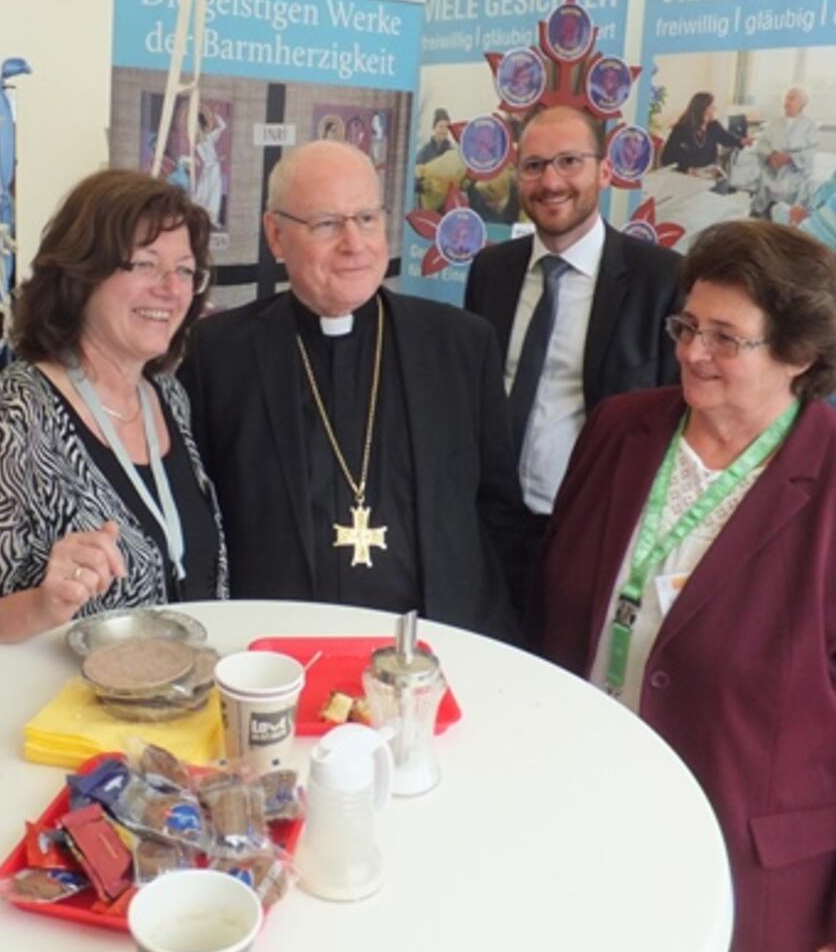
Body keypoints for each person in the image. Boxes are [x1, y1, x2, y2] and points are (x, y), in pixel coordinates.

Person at [536, 220, 836, 952]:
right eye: (687, 325)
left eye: (726, 338)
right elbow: (555, 609)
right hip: (583, 815)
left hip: (750, 865)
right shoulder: (619, 429)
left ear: (798, 356)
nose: (692, 353)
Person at [179, 140, 525, 640]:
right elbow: (198, 524)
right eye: (326, 224)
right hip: (274, 654)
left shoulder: (461, 346)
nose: (354, 243)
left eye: (366, 218)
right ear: (275, 235)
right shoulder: (215, 355)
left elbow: (499, 515)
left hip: (436, 653)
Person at [0, 171, 227, 654]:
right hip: (60, 719)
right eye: (146, 264)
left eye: (185, 270)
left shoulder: (165, 397)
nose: (171, 288)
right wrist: (46, 605)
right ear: (83, 274)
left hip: (173, 706)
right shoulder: (10, 420)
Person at [465, 106, 681, 550]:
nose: (551, 182)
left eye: (569, 161)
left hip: (596, 531)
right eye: (534, 166)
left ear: (604, 171)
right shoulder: (491, 270)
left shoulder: (662, 281)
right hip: (491, 525)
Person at [733, 86, 820, 216]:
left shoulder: (810, 125)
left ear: (802, 103)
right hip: (772, 167)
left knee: (789, 188)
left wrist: (789, 158)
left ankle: (786, 217)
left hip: (794, 170)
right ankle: (763, 214)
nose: (787, 101)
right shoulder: (775, 122)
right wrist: (770, 156)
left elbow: (810, 152)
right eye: (786, 98)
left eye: (791, 98)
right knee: (762, 181)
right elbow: (762, 143)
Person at [659, 91, 749, 173]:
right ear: (702, 109)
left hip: (709, 172)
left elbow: (726, 138)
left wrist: (741, 141)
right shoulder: (681, 129)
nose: (715, 109)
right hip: (688, 175)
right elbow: (667, 158)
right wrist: (688, 169)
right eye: (711, 106)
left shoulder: (713, 125)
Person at [192, 106, 226, 219]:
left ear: (201, 125)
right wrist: (219, 159)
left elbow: (223, 126)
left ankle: (212, 217)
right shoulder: (196, 143)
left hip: (214, 168)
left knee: (214, 192)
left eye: (197, 125)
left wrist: (214, 114)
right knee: (203, 192)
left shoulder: (209, 137)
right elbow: (207, 160)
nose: (195, 128)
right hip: (209, 168)